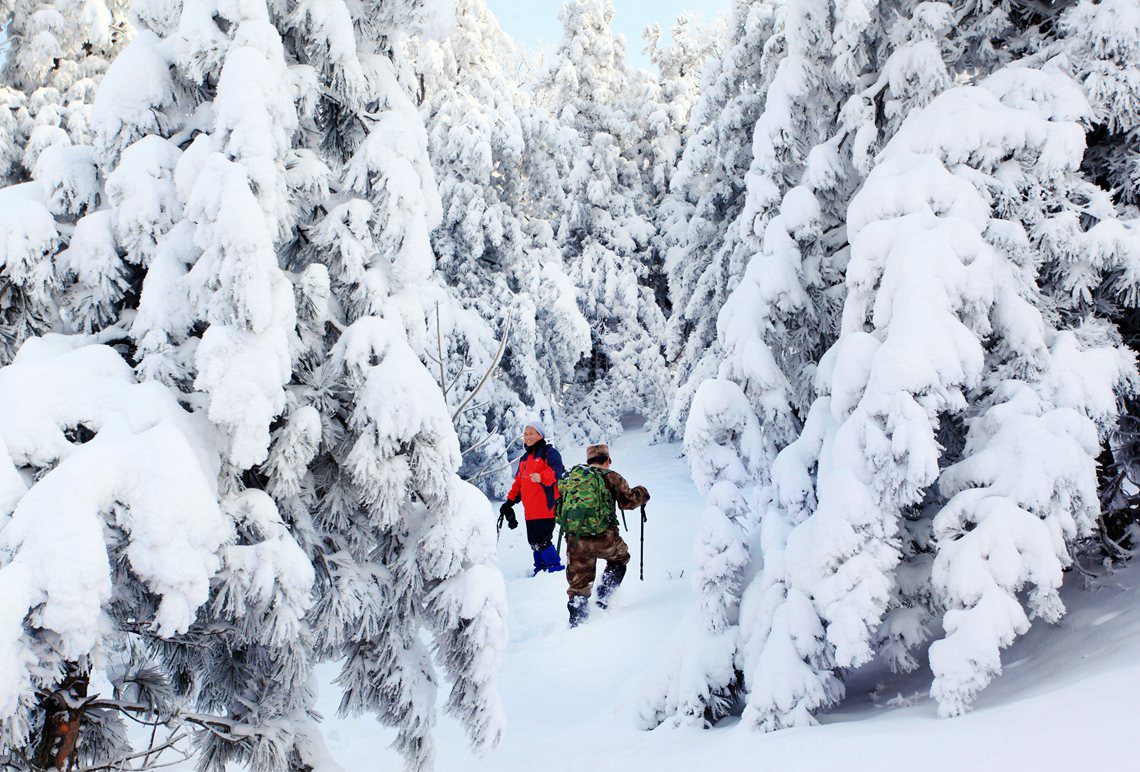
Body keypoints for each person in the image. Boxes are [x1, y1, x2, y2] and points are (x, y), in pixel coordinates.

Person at [561, 443, 649, 627]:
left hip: (576, 541)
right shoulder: (612, 477)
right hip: (605, 539)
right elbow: (628, 502)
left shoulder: (572, 478)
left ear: (588, 461)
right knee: (620, 559)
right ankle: (603, 597)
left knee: (578, 587)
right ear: (608, 460)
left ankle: (577, 623)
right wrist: (642, 493)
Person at [500, 421, 566, 575]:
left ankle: (555, 568)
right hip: (530, 510)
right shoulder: (524, 458)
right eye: (525, 434)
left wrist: (542, 476)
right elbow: (518, 483)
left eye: (531, 433)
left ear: (540, 435)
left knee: (542, 541)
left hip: (546, 506)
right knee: (534, 542)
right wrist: (509, 503)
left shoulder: (550, 452)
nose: (527, 437)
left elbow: (558, 473)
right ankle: (540, 568)